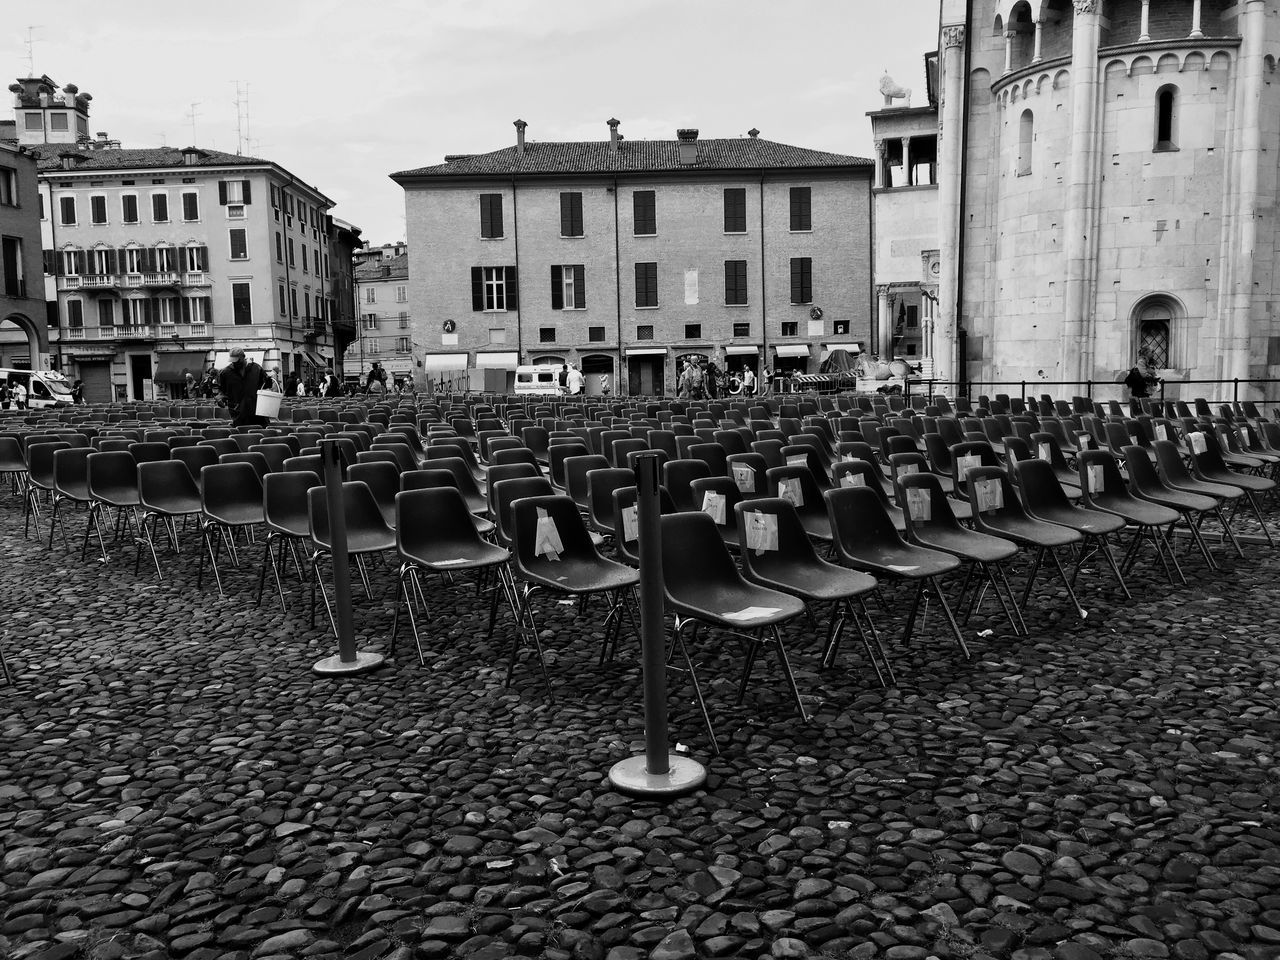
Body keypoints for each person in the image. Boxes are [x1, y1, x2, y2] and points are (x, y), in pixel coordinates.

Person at [217, 346, 269, 427]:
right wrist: (220, 398)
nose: (235, 363)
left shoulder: (256, 369)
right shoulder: (225, 373)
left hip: (257, 412)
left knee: (260, 434)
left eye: (237, 360)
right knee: (241, 436)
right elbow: (221, 390)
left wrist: (268, 381)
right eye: (232, 361)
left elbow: (267, 385)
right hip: (238, 413)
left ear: (243, 357)